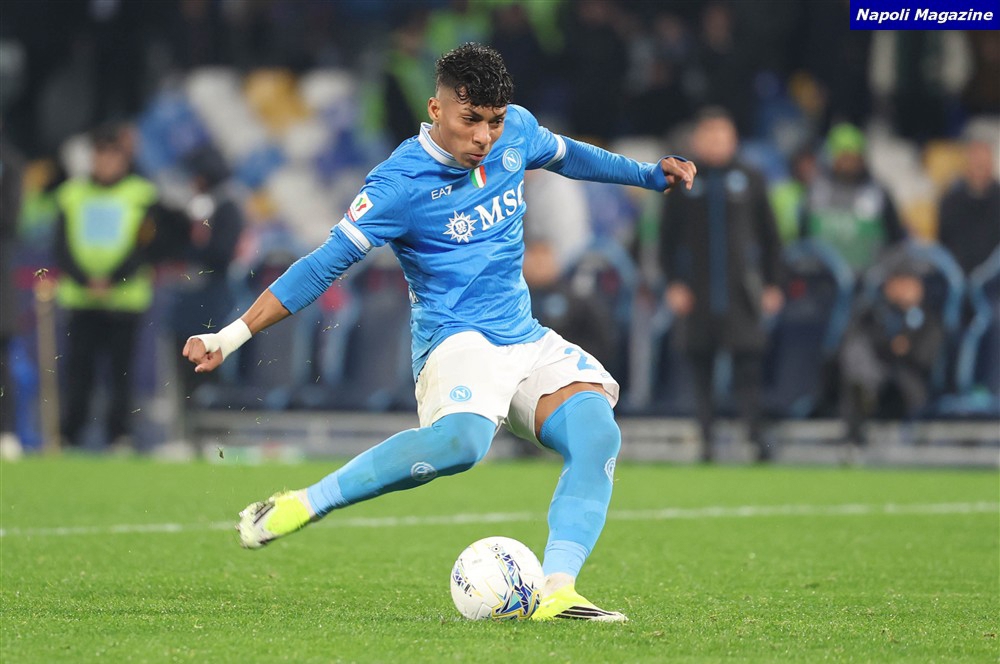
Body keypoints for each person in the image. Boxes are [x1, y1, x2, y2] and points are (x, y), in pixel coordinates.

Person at [183, 43, 696, 622]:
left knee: (597, 434)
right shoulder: (398, 184)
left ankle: (557, 591)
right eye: (470, 119)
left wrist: (646, 175)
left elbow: (568, 154)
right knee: (464, 445)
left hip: (521, 334)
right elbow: (322, 264)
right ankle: (305, 502)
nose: (484, 136)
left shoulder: (516, 132)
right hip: (455, 340)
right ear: (436, 108)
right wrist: (229, 336)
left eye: (494, 121)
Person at [658, 107, 783, 462]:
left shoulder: (751, 178)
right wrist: (673, 283)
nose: (715, 143)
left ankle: (755, 440)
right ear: (697, 140)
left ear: (734, 140)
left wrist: (773, 283)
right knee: (700, 369)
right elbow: (666, 239)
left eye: (722, 136)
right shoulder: (682, 181)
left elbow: (771, 237)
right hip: (696, 293)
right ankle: (707, 443)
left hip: (741, 292)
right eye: (709, 136)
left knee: (748, 366)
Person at [54, 124, 159, 451]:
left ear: (123, 160)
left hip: (125, 299)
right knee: (78, 370)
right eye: (100, 155)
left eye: (112, 156)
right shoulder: (71, 194)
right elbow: (60, 245)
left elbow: (145, 246)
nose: (105, 162)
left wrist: (112, 279)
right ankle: (70, 434)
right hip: (81, 297)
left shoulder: (142, 194)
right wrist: (84, 279)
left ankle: (119, 435)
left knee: (121, 373)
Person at [839, 249, 944, 454]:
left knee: (865, 372)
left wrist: (901, 346)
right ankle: (854, 436)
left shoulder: (928, 320)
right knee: (856, 358)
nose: (900, 288)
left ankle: (865, 395)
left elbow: (924, 358)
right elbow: (857, 342)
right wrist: (892, 346)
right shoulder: (875, 315)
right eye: (896, 281)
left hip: (907, 388)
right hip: (876, 381)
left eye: (906, 282)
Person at [801, 123, 906, 273]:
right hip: (822, 277)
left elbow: (895, 241)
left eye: (854, 156)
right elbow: (803, 238)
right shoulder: (815, 192)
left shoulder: (878, 193)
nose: (849, 163)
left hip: (869, 278)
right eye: (844, 156)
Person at [938, 138, 1000, 276]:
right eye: (976, 163)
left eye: (983, 163)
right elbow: (945, 241)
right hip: (959, 276)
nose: (980, 168)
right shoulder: (950, 202)